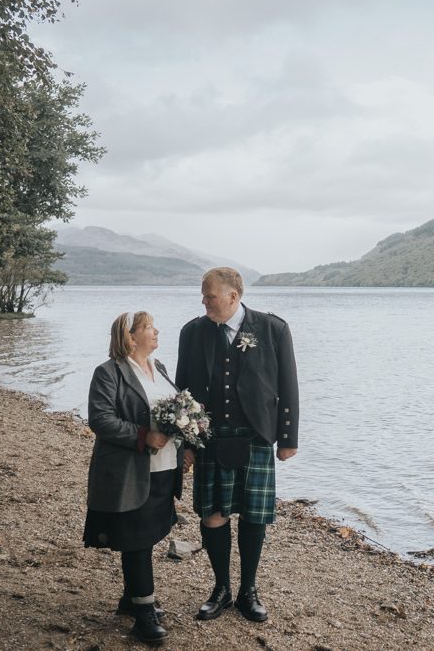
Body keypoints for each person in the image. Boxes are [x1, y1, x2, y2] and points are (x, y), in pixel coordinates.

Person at [176, 267, 299, 623]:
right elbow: (183, 390)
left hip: (255, 436)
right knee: (213, 515)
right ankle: (220, 589)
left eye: (209, 295)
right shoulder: (193, 332)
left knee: (253, 516)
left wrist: (287, 439)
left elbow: (288, 384)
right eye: (203, 294)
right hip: (210, 439)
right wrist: (185, 443)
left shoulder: (273, 328)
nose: (204, 301)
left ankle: (249, 590)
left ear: (233, 296)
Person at [83, 311, 192, 645]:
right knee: (137, 540)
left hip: (164, 468)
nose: (156, 331)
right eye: (148, 328)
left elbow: (176, 414)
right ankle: (144, 614)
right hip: (131, 472)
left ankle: (131, 601)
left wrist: (186, 447)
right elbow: (100, 419)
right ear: (130, 337)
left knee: (149, 533)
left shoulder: (158, 368)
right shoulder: (108, 373)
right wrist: (142, 436)